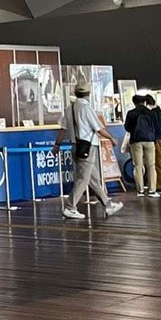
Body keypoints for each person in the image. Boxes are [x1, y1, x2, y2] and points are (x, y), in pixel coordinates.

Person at [55, 82, 123, 221]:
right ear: (88, 94)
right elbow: (98, 128)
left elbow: (63, 128)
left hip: (75, 146)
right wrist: (111, 138)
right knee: (83, 178)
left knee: (93, 178)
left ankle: (107, 205)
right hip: (87, 147)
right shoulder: (86, 108)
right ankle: (70, 207)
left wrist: (57, 144)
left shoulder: (69, 108)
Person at [124, 93, 159, 198]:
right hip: (149, 140)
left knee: (138, 166)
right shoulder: (151, 113)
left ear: (134, 103)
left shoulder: (131, 113)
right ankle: (152, 190)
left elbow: (127, 128)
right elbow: (156, 126)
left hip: (136, 141)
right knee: (151, 166)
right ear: (144, 102)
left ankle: (140, 190)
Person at [144, 95, 161, 192]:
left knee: (157, 163)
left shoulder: (154, 113)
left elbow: (157, 128)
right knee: (157, 162)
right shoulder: (159, 112)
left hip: (157, 140)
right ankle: (158, 183)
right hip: (160, 140)